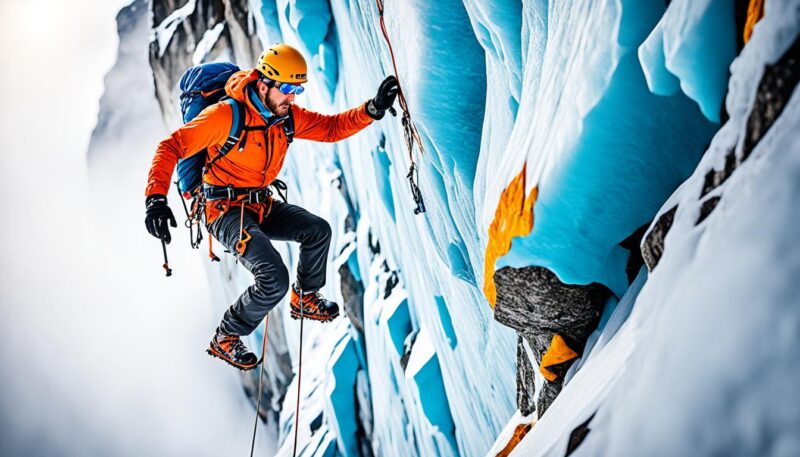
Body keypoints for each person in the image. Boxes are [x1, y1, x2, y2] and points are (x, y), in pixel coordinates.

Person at [143, 43, 399, 370]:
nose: (293, 97)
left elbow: (331, 128)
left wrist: (372, 109)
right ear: (265, 84)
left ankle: (305, 297)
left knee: (317, 231)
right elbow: (172, 146)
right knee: (273, 277)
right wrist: (156, 199)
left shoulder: (285, 117)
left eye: (298, 89)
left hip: (260, 205)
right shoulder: (225, 116)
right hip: (224, 212)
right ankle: (227, 337)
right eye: (289, 89)